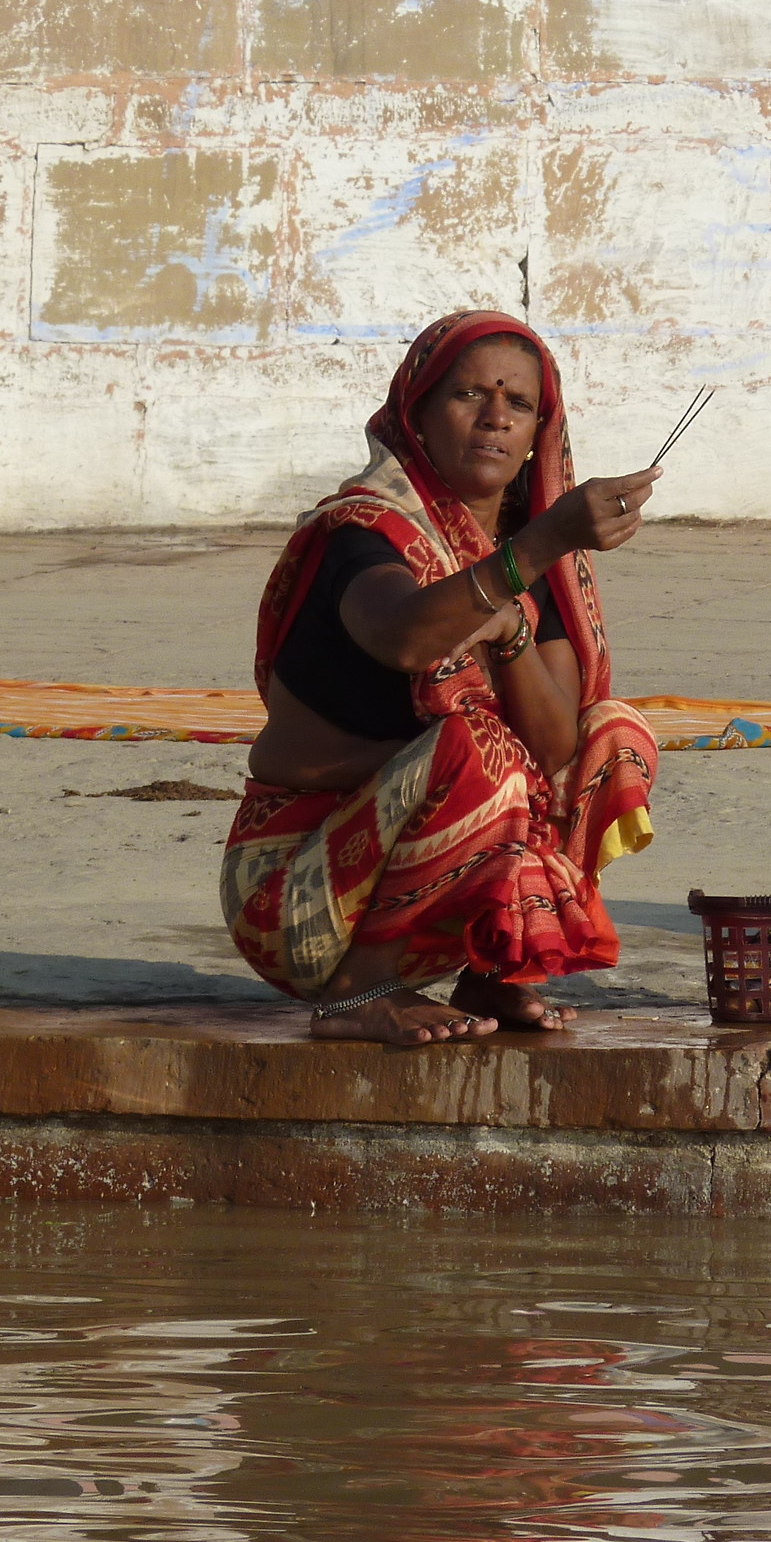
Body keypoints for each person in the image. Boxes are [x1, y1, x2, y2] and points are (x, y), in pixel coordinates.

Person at [221, 310, 661, 1045]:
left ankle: (496, 968)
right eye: (468, 396)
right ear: (416, 414)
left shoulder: (528, 559)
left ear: (535, 438)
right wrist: (538, 547)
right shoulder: (365, 533)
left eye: (518, 404)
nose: (494, 419)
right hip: (294, 895)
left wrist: (515, 627)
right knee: (478, 751)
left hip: (428, 910)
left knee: (611, 736)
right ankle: (357, 994)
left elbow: (555, 750)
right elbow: (402, 639)